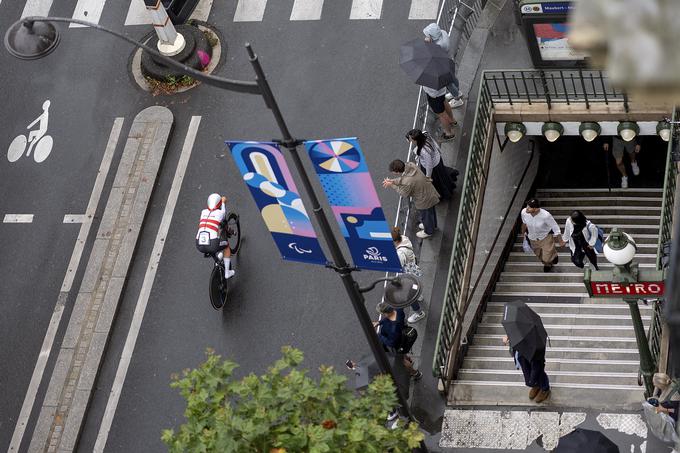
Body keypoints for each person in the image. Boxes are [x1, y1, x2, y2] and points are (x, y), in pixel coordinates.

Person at [383, 159, 440, 239]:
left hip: (423, 200)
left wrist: (392, 185)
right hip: (429, 192)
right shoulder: (411, 165)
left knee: (426, 215)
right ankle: (431, 225)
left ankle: (428, 231)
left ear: (397, 172)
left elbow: (404, 193)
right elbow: (403, 179)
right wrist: (392, 181)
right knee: (430, 213)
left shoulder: (408, 181)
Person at [373, 302, 422, 380]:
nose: (382, 315)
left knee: (402, 361)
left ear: (386, 313)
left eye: (382, 313)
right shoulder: (397, 310)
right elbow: (388, 318)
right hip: (402, 338)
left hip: (398, 344)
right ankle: (408, 360)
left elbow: (391, 343)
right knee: (403, 355)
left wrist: (380, 336)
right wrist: (379, 322)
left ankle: (415, 373)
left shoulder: (393, 329)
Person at [406, 128, 457, 200]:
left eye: (411, 139)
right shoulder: (425, 134)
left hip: (433, 167)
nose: (410, 141)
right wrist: (438, 151)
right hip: (437, 160)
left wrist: (428, 176)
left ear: (416, 140)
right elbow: (434, 143)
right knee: (443, 176)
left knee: (438, 182)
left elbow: (429, 165)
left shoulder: (423, 151)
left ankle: (444, 195)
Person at [423, 23, 464, 108]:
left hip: (442, 67)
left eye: (428, 35)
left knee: (449, 84)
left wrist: (428, 44)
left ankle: (457, 99)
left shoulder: (438, 45)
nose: (426, 37)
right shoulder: (443, 33)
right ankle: (457, 92)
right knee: (453, 79)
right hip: (448, 61)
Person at [391, 226, 426, 323]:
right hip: (413, 267)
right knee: (416, 284)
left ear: (395, 241)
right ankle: (419, 295)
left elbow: (398, 264)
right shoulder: (404, 238)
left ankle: (419, 313)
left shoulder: (400, 253)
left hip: (408, 274)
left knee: (409, 296)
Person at [195, 193, 235, 279]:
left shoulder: (203, 212)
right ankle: (227, 273)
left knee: (211, 243)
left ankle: (217, 261)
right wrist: (223, 202)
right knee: (226, 246)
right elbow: (224, 214)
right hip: (213, 244)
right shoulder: (220, 213)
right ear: (219, 204)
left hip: (198, 244)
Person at [503, 335, 550, 403]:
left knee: (538, 371)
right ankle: (536, 385)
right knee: (527, 370)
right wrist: (509, 336)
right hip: (522, 349)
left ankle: (544, 388)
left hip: (533, 348)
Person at [521, 198, 564, 272]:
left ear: (536, 209)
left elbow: (555, 227)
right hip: (532, 238)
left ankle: (552, 257)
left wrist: (560, 241)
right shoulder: (524, 212)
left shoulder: (545, 215)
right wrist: (523, 234)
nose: (527, 208)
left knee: (546, 258)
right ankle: (548, 264)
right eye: (527, 205)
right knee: (539, 255)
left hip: (545, 238)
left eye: (529, 207)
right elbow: (524, 223)